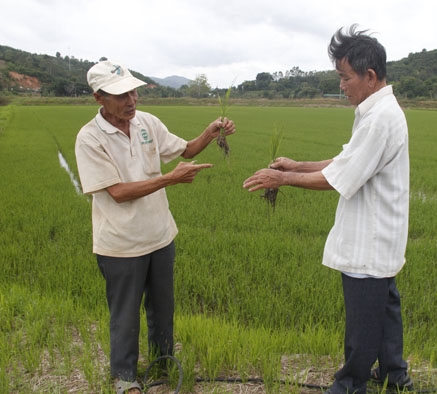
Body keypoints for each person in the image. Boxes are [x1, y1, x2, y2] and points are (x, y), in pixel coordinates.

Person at [243, 25, 413, 394]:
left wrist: (281, 180)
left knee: (364, 324)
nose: (341, 85)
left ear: (369, 76)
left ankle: (351, 384)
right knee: (385, 312)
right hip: (380, 239)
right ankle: (395, 377)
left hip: (370, 242)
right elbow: (345, 160)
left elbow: (339, 178)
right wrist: (296, 165)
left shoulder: (381, 118)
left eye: (344, 77)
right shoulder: (374, 112)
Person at [75, 59, 236, 394]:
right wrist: (170, 179)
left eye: (133, 91)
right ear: (99, 98)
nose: (132, 100)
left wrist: (210, 131)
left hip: (161, 237)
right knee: (126, 315)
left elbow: (186, 150)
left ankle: (162, 366)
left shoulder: (147, 122)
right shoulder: (90, 138)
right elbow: (117, 192)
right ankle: (124, 377)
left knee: (163, 309)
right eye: (121, 95)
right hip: (120, 245)